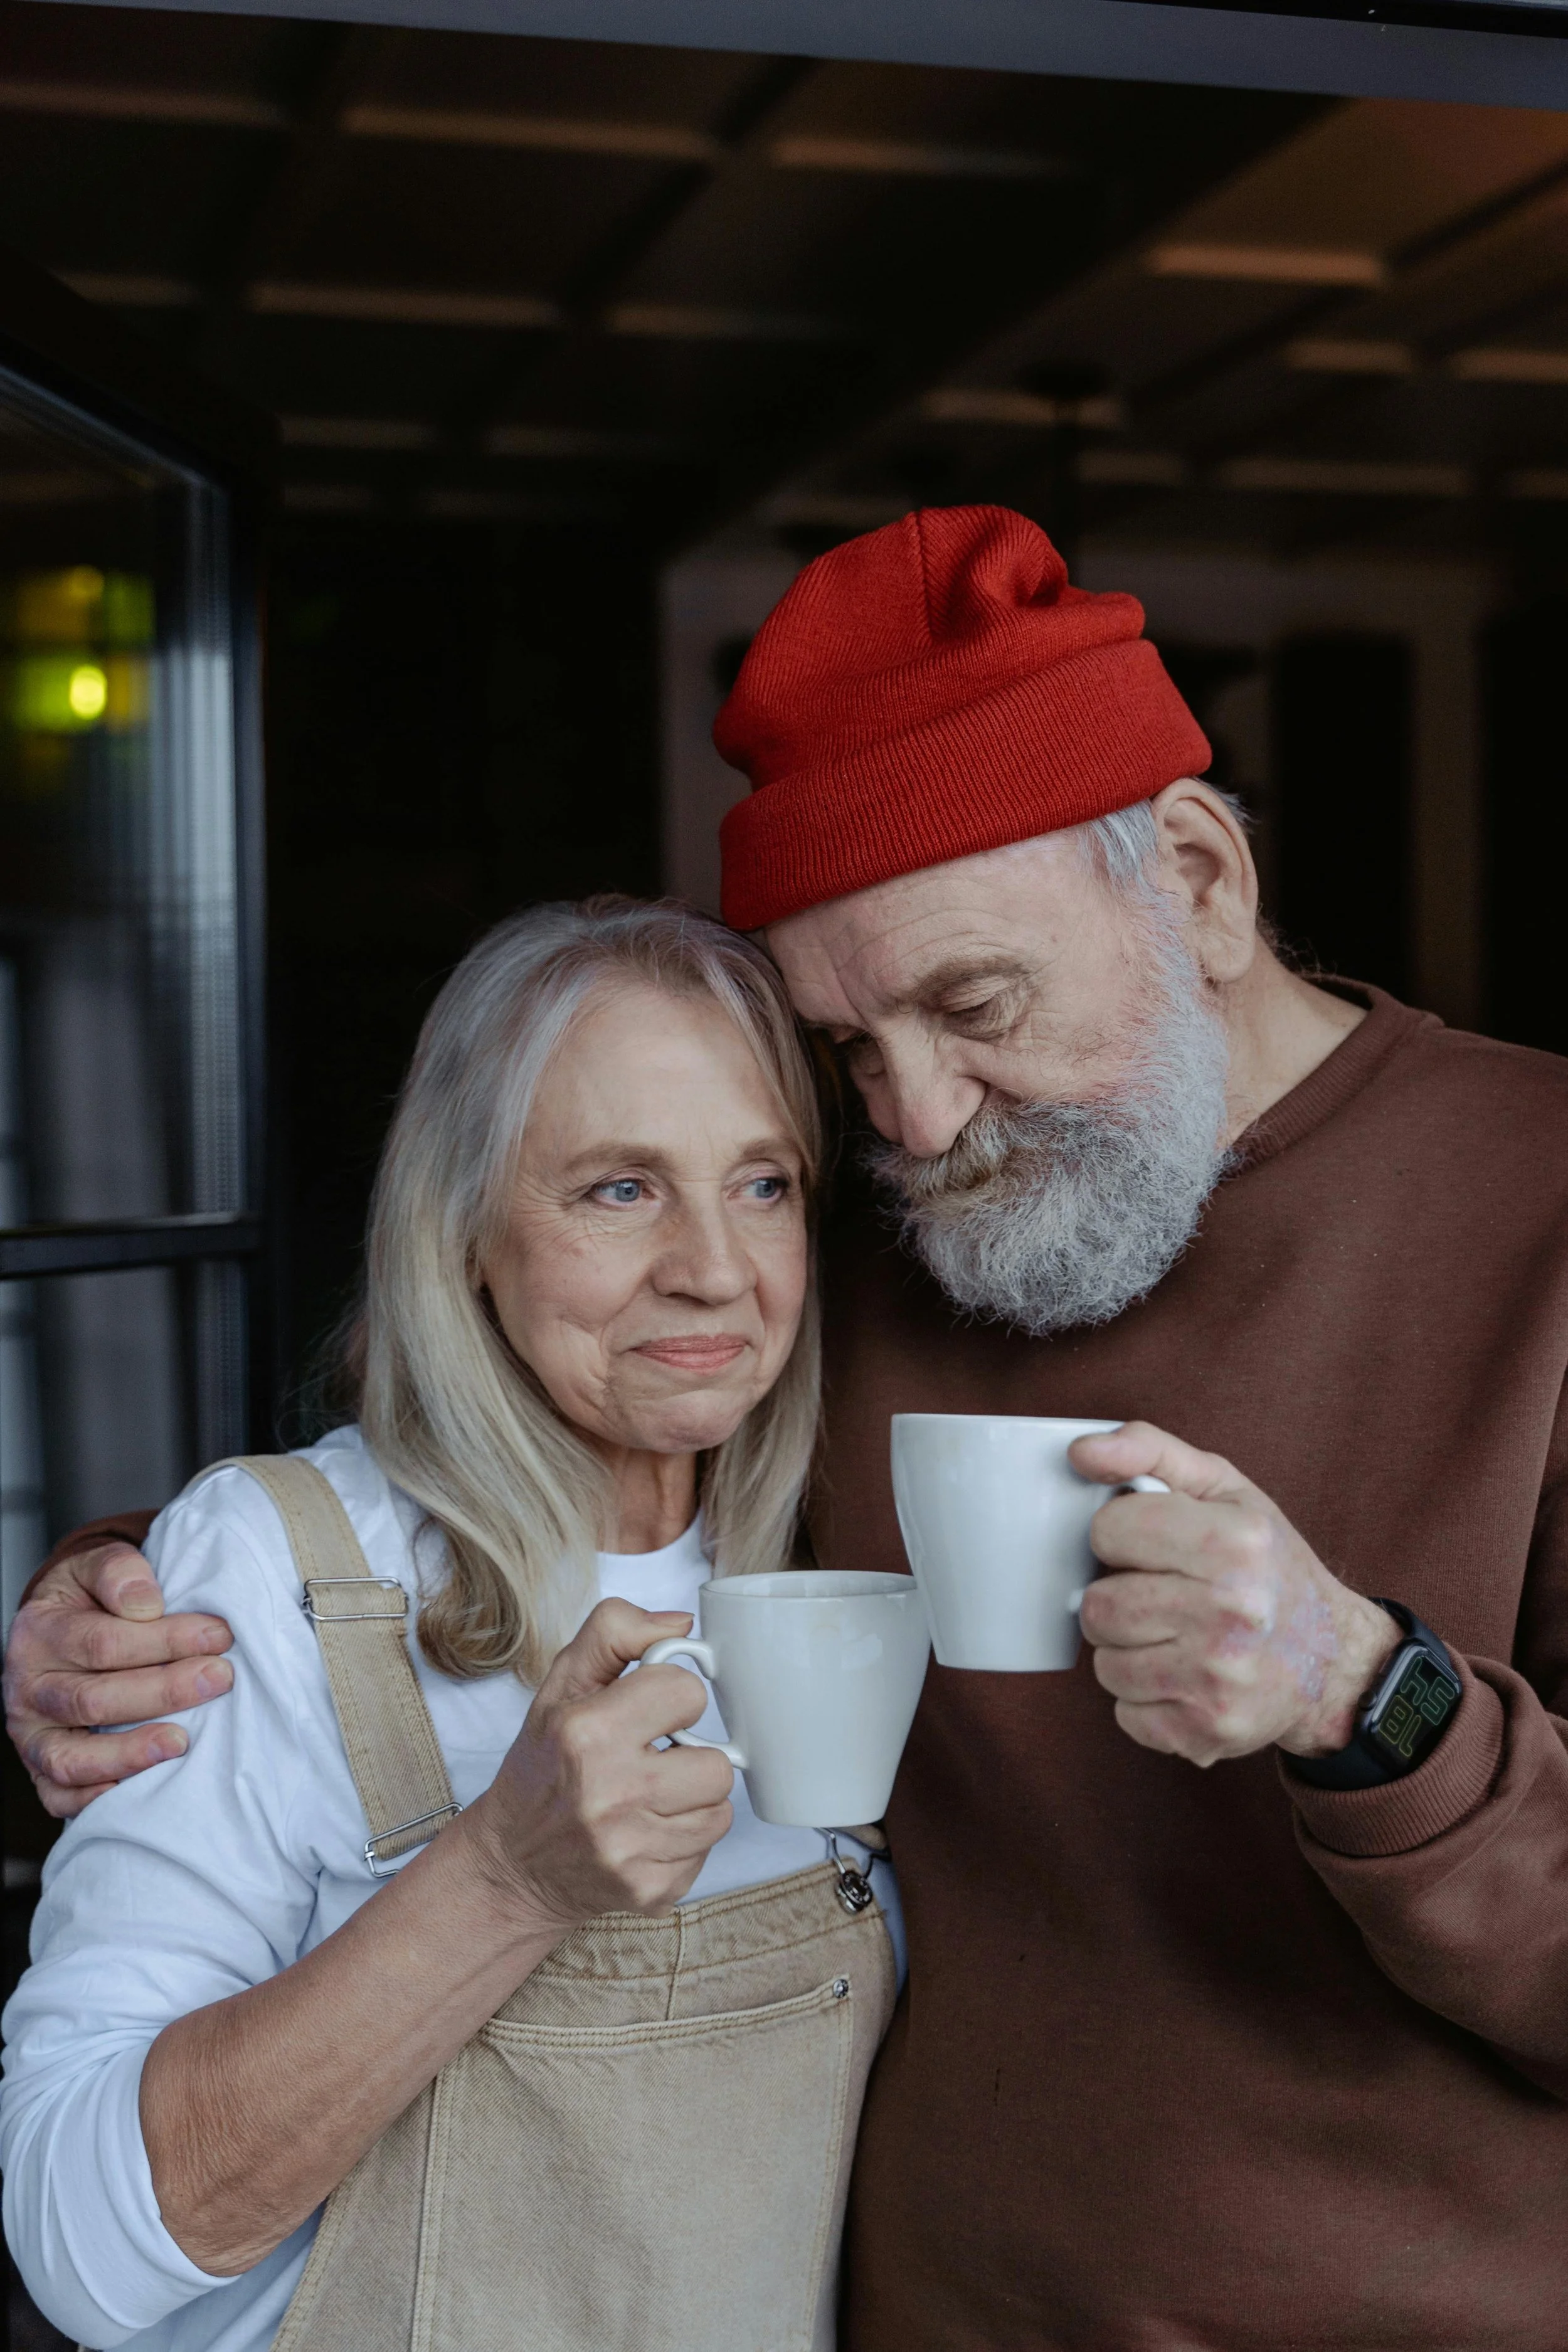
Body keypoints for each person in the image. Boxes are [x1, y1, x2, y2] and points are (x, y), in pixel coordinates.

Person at [11, 504, 1568, 2351]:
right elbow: (535, 1398)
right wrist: (137, 1587)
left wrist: (1374, 1697)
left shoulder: (1534, 1207)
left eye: (971, 1004)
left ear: (1201, 877)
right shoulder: (869, 1230)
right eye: (845, 1055)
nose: (910, 1120)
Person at [0, 898, 901, 2352]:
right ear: (465, 1229)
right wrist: (502, 1881)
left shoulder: (847, 1555)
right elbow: (83, 2248)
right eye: (618, 1190)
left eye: (760, 1183)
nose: (713, 1271)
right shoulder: (273, 1570)